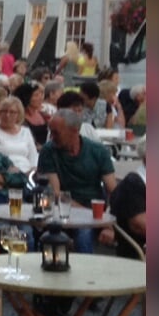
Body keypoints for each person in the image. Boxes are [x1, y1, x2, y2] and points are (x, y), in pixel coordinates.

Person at [38, 108, 119, 252]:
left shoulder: (98, 151)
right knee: (83, 233)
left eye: (56, 132)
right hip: (64, 212)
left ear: (74, 131)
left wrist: (108, 222)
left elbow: (113, 189)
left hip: (96, 211)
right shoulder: (48, 151)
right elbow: (55, 194)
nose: (51, 137)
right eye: (51, 132)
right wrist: (94, 217)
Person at [0, 94, 39, 175]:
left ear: (18, 114)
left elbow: (33, 157)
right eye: (4, 111)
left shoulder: (26, 131)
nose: (7, 115)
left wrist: (33, 170)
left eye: (12, 112)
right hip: (7, 173)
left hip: (28, 171)